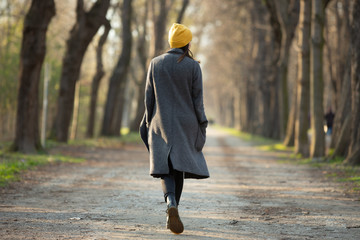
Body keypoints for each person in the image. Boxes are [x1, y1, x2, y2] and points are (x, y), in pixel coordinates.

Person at [139, 23, 209, 234]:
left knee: (164, 166)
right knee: (178, 167)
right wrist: (202, 124)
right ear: (187, 43)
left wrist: (149, 123)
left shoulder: (155, 63)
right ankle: (173, 208)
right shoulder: (193, 66)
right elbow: (198, 101)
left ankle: (171, 202)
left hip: (161, 123)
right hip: (186, 124)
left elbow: (148, 99)